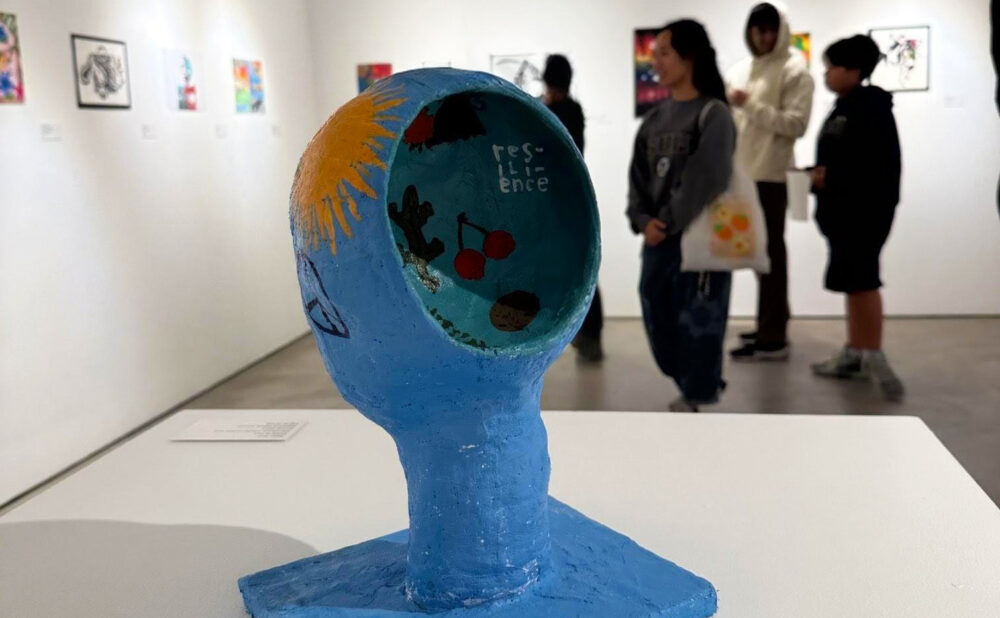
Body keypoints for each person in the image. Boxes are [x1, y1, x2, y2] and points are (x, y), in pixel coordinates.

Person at [626, 19, 736, 412]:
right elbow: (637, 178)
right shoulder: (654, 120)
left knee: (701, 325)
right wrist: (641, 220)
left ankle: (700, 398)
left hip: (698, 244)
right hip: (657, 241)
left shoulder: (713, 113)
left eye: (664, 53)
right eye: (654, 55)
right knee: (658, 315)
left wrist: (667, 222)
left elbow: (708, 177)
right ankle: (694, 388)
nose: (656, 62)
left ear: (689, 57)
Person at [810, 35, 904, 401]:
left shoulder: (872, 109)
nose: (827, 74)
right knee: (852, 279)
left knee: (864, 279)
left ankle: (872, 353)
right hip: (842, 210)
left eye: (832, 66)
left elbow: (874, 167)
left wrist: (828, 177)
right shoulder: (845, 106)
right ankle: (856, 351)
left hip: (864, 212)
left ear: (853, 70)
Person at [725, 2, 814, 362]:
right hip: (743, 177)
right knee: (758, 256)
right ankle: (769, 323)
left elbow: (797, 124)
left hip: (772, 177)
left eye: (769, 29)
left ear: (780, 30)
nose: (763, 36)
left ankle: (774, 334)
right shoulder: (742, 69)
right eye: (757, 29)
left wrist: (750, 106)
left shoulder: (795, 69)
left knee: (771, 256)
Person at [543, 54, 604, 362]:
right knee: (584, 267)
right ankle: (590, 335)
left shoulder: (551, 110)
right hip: (573, 195)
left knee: (573, 267)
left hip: (553, 200)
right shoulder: (573, 110)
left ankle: (584, 334)